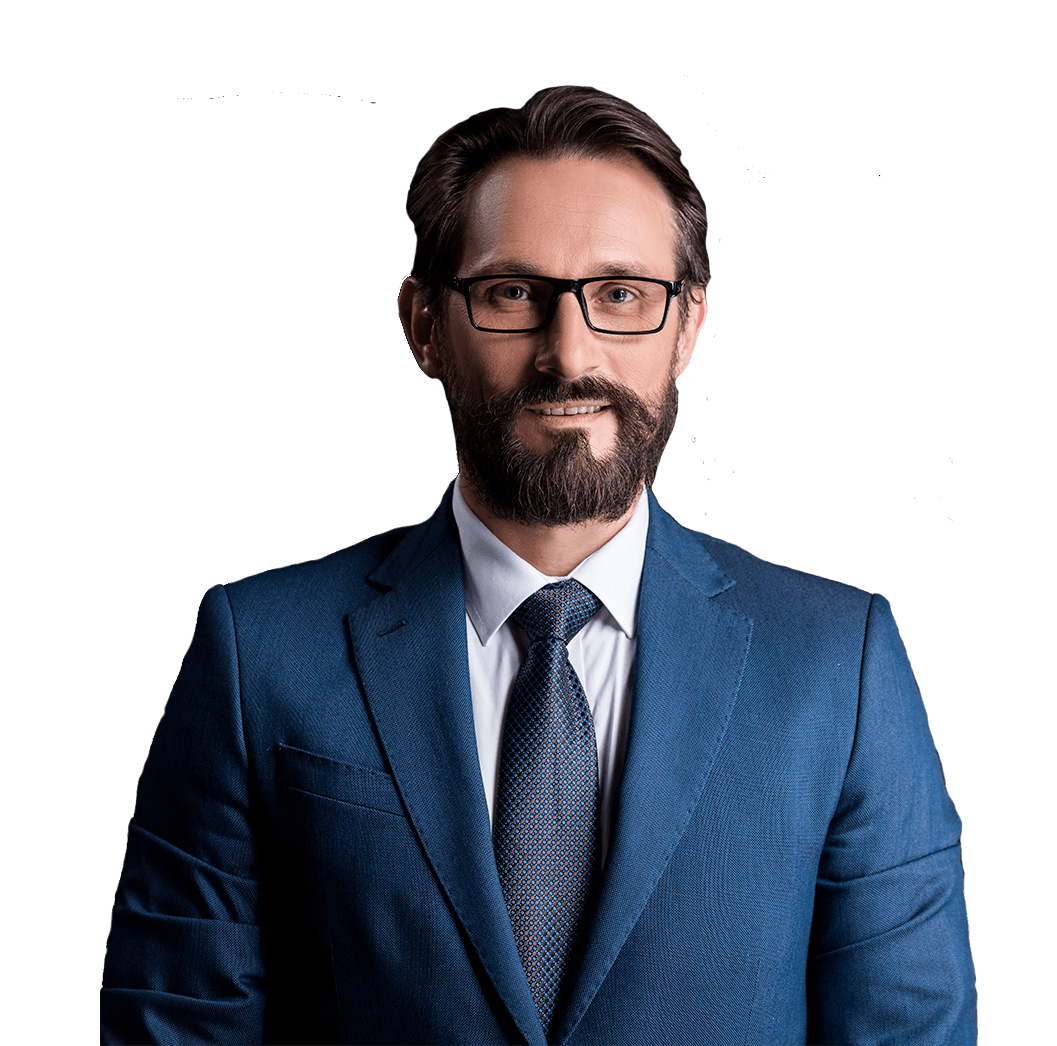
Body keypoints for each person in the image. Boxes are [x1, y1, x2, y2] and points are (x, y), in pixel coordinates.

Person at [101, 86, 976, 1045]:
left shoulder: (839, 665)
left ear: (686, 328)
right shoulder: (257, 654)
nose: (569, 355)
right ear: (423, 326)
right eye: (512, 293)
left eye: (621, 295)